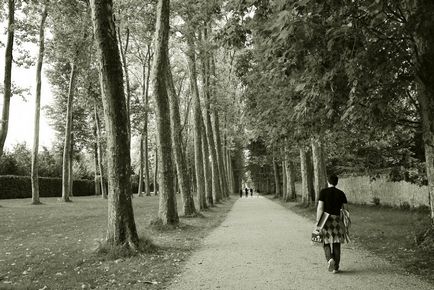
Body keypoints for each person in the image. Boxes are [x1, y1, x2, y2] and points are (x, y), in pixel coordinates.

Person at [316, 174, 348, 274]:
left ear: (328, 181)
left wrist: (318, 221)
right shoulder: (341, 193)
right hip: (337, 220)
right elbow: (345, 210)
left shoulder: (323, 192)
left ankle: (330, 259)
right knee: (336, 242)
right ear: (336, 182)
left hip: (325, 219)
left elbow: (320, 207)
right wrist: (345, 223)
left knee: (325, 241)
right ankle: (336, 267)